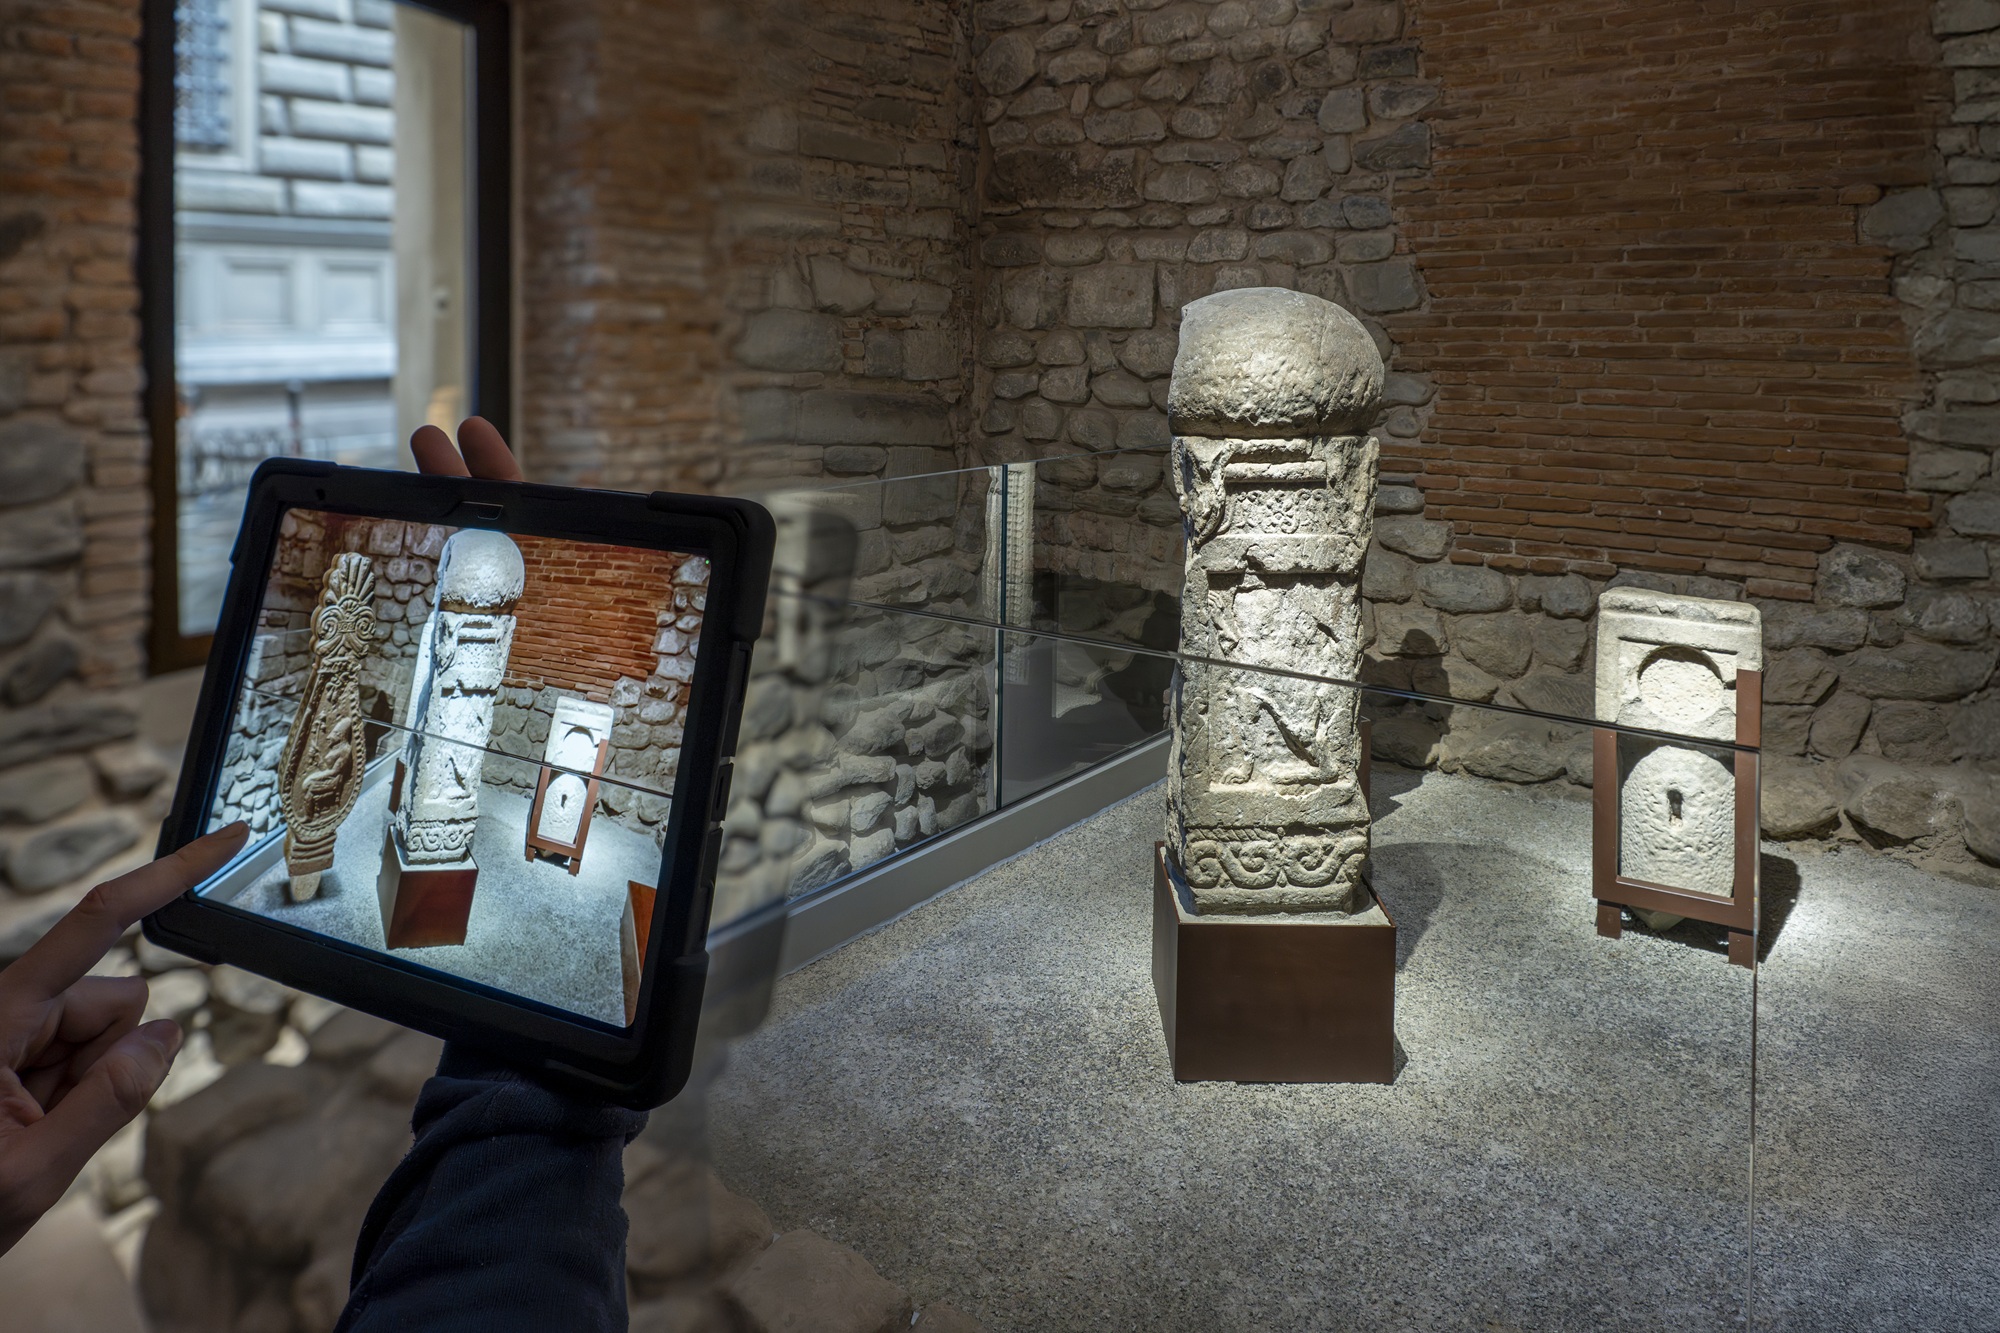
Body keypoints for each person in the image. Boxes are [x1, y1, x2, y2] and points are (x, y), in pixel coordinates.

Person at [0, 421, 644, 1332]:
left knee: (420, 755)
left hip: (436, 771)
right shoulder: (373, 660)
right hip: (396, 761)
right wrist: (547, 1083)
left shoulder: (448, 648)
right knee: (358, 773)